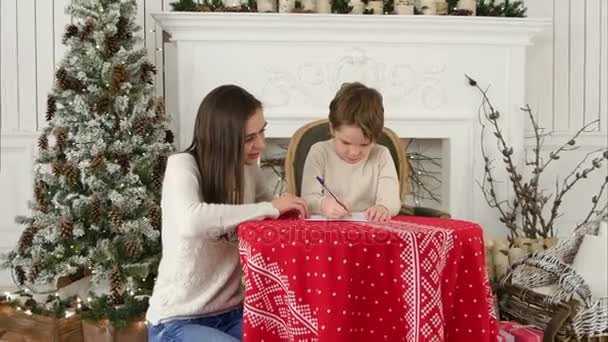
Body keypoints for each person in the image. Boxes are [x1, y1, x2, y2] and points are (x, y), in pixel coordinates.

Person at [146, 85, 308, 341]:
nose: (261, 145)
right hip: (176, 321)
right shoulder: (183, 165)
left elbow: (276, 214)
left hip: (232, 313)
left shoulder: (248, 169)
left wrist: (315, 207)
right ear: (222, 138)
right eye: (248, 139)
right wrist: (269, 208)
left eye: (262, 131)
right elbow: (192, 221)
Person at [300, 82, 401, 222]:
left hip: (371, 232)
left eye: (365, 144)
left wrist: (383, 208)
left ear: (376, 137)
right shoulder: (320, 152)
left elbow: (392, 200)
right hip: (327, 231)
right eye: (345, 142)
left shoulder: (381, 155)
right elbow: (307, 198)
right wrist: (323, 204)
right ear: (332, 129)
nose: (354, 152)